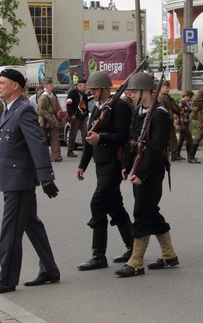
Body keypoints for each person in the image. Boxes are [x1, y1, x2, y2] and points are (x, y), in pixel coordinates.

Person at [0, 69, 60, 295]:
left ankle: (6, 279)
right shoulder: (9, 108)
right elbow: (5, 140)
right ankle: (50, 269)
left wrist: (46, 176)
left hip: (19, 180)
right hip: (12, 176)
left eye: (1, 83)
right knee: (30, 223)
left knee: (11, 229)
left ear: (15, 85)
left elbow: (37, 144)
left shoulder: (23, 110)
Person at [116, 72, 178, 278]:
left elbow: (155, 147)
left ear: (146, 91)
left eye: (134, 91)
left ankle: (136, 262)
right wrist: (126, 164)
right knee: (150, 210)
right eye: (131, 92)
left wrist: (141, 173)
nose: (131, 95)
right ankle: (169, 254)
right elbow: (132, 140)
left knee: (142, 212)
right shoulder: (140, 111)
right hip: (139, 167)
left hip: (152, 170)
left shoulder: (158, 114)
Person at [76, 71, 134, 271]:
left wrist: (101, 138)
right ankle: (133, 246)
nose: (90, 92)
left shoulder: (119, 106)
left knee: (98, 202)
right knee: (114, 205)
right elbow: (89, 136)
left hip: (114, 163)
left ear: (104, 88)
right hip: (101, 164)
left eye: (93, 89)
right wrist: (82, 164)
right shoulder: (97, 107)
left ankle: (98, 255)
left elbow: (123, 136)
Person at [38, 78, 62, 162]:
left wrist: (57, 115)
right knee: (42, 139)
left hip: (53, 121)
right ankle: (40, 156)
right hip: (44, 121)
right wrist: (51, 118)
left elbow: (55, 108)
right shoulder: (43, 97)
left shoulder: (53, 96)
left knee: (55, 138)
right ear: (46, 86)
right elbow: (41, 110)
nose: (53, 86)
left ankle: (55, 156)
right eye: (51, 85)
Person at [158, 81, 183, 161]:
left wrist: (179, 111)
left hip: (169, 119)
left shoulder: (167, 96)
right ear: (161, 88)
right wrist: (172, 115)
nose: (168, 89)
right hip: (164, 120)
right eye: (166, 88)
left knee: (172, 136)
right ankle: (163, 152)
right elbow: (163, 108)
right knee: (164, 137)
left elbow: (173, 105)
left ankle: (173, 153)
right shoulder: (160, 97)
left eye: (169, 88)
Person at [66, 79, 89, 157]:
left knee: (85, 133)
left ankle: (86, 150)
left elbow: (86, 105)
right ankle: (70, 150)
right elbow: (68, 104)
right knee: (73, 133)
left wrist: (87, 115)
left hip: (83, 116)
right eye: (84, 85)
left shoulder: (84, 94)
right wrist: (71, 114)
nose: (85, 87)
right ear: (79, 85)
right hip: (75, 116)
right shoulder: (72, 93)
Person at [174, 90, 193, 160]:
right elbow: (179, 113)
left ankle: (177, 153)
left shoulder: (187, 103)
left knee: (181, 139)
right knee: (189, 138)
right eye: (189, 97)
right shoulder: (181, 103)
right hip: (183, 123)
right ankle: (190, 155)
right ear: (186, 96)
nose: (190, 99)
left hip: (186, 122)